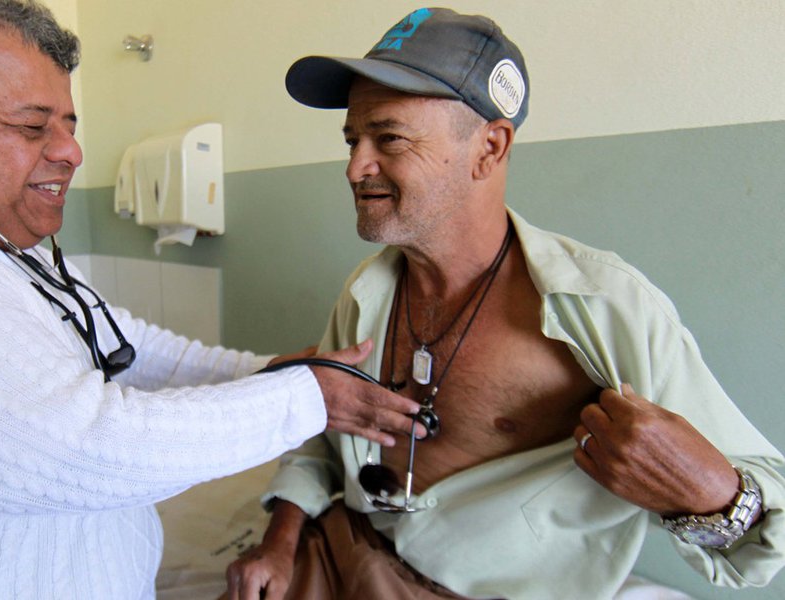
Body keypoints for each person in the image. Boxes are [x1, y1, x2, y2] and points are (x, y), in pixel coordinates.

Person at [0, 1, 424, 598]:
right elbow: (86, 450)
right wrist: (306, 396)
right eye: (32, 127)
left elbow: (118, 345)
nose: (71, 151)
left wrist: (268, 370)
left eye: (69, 124)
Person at [225, 7, 785, 600]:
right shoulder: (369, 290)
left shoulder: (601, 310)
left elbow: (767, 529)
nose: (355, 167)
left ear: (489, 147)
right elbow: (324, 429)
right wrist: (279, 543)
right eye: (352, 140)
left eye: (387, 137)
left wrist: (713, 497)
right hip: (346, 545)